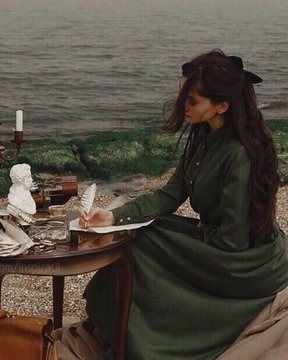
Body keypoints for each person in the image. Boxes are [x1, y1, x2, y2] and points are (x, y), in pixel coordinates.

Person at [78, 49, 288, 359]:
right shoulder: (201, 137)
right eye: (184, 98)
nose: (183, 107)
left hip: (244, 260)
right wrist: (112, 216)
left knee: (146, 243)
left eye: (192, 102)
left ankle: (145, 341)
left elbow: (233, 240)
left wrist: (181, 248)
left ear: (222, 105)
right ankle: (115, 328)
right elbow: (170, 194)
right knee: (138, 233)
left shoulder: (239, 155)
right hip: (219, 240)